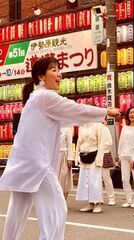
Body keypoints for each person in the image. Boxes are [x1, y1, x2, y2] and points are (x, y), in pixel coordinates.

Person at [0, 57, 120, 240]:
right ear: (41, 76)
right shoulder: (45, 97)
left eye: (59, 70)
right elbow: (74, 109)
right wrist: (105, 111)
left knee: (17, 212)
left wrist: (94, 117)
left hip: (23, 165)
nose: (60, 75)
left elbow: (66, 117)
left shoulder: (36, 99)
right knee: (57, 210)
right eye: (54, 70)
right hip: (37, 166)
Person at [118, 107, 134, 208]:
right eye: (130, 113)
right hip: (124, 155)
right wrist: (119, 154)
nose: (132, 114)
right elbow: (121, 142)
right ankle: (129, 200)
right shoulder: (125, 127)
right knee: (124, 179)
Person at [57, 127, 74, 200]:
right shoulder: (53, 127)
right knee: (55, 178)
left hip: (64, 154)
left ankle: (63, 199)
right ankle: (56, 200)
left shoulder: (67, 128)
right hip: (55, 156)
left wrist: (70, 158)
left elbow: (70, 144)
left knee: (64, 178)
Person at [102, 121, 116, 206]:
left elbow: (109, 143)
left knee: (106, 177)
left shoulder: (105, 129)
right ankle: (99, 198)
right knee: (96, 179)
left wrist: (100, 147)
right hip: (94, 155)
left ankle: (111, 198)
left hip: (103, 154)